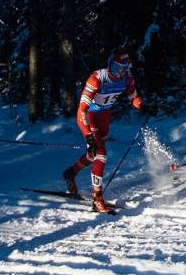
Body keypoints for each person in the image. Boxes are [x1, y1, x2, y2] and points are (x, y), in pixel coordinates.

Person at [62, 46, 149, 213]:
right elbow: (82, 109)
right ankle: (97, 199)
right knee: (100, 155)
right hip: (89, 117)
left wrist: (143, 106)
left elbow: (133, 97)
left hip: (104, 117)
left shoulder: (126, 78)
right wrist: (88, 136)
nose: (121, 72)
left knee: (93, 154)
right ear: (110, 65)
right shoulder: (96, 79)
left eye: (125, 68)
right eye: (118, 68)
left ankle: (70, 173)